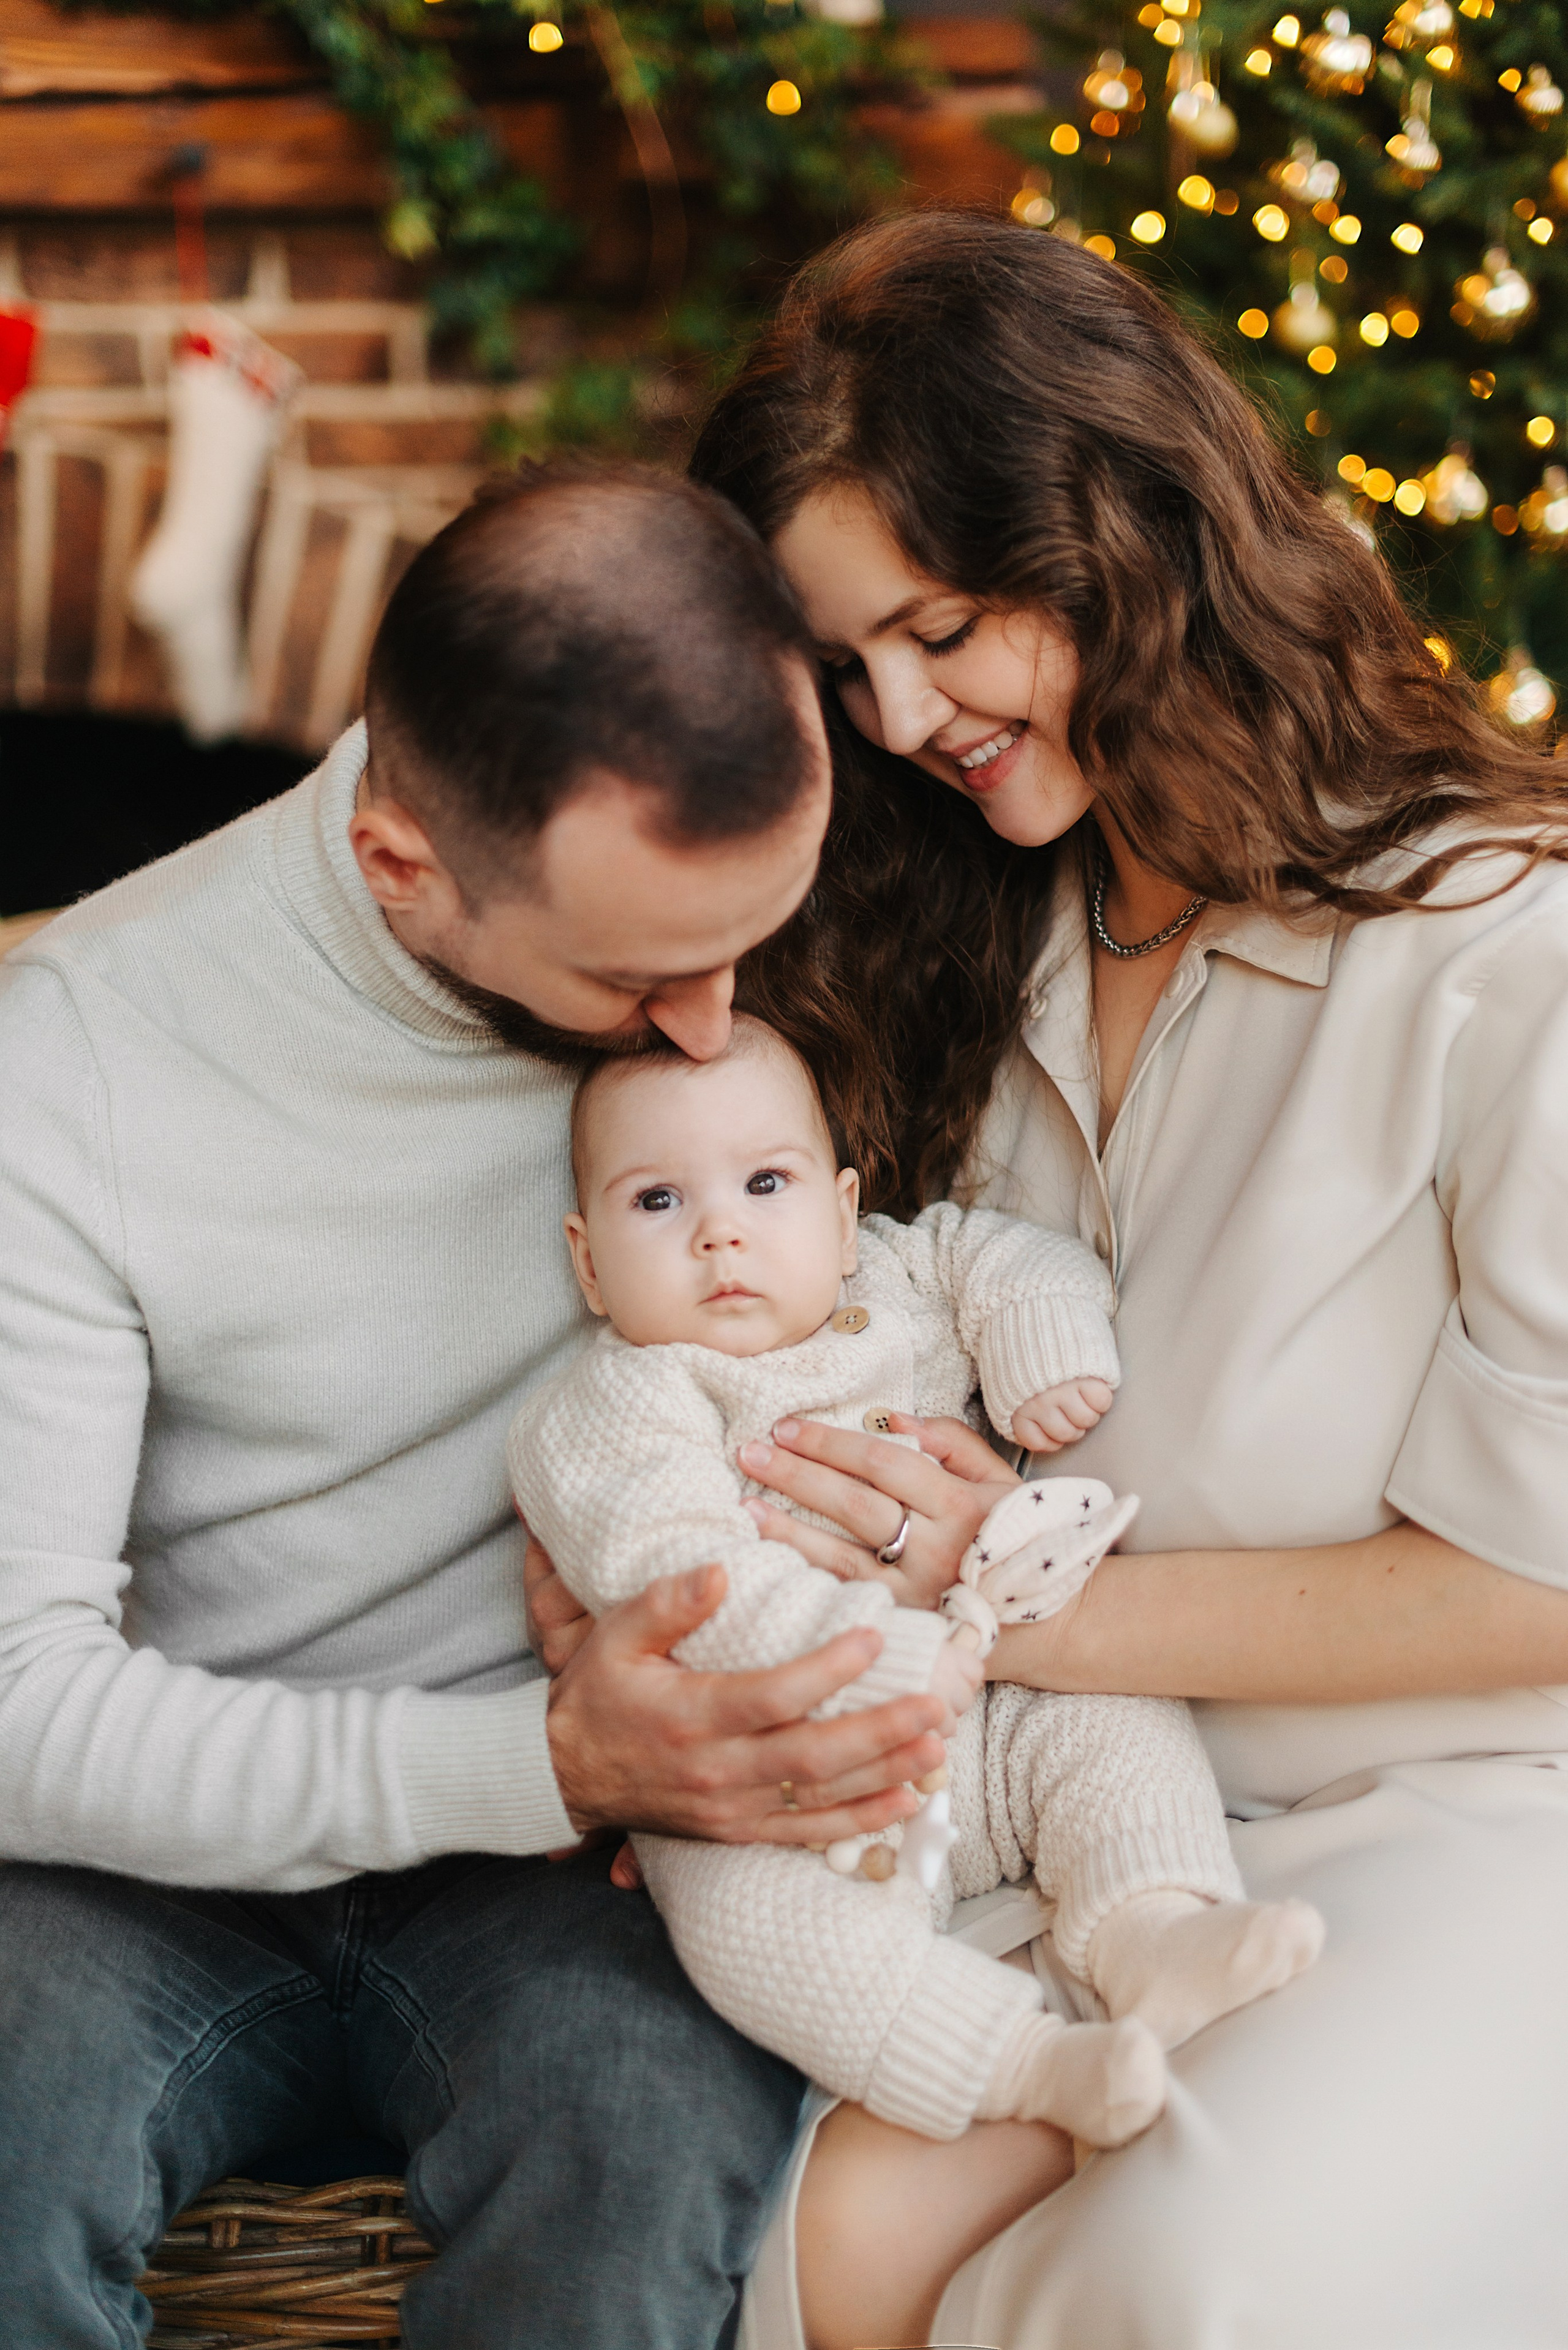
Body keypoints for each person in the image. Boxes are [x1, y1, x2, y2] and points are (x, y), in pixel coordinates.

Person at [675, 212, 1568, 2348]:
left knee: (1195, 2289)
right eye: (845, 667)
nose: (898, 718)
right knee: (751, 2275)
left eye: (950, 626)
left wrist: (1017, 1591)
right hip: (1048, 1828)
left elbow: (1544, 1574)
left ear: (1129, 533)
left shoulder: (1503, 947)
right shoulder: (980, 937)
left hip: (1469, 1821)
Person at [0, 459, 960, 2350]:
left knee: (638, 2167)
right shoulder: (79, 1064)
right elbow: (16, 1699)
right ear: (399, 866)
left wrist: (958, 1474)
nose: (715, 1030)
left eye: (750, 933)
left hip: (596, 1882)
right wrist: (545, 1759)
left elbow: (953, 1284)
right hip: (150, 1858)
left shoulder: (738, 901)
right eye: (636, 979)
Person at [510, 1016, 1325, 2149]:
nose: (720, 1235)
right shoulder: (617, 1407)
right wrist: (879, 1655)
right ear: (588, 1260)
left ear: (844, 1215)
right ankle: (1028, 2061)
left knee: (1115, 1715)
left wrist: (1044, 1336)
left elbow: (1007, 1254)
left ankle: (1154, 1930)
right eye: (658, 1202)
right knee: (753, 1927)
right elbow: (688, 1582)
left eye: (764, 1183)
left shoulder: (899, 1271)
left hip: (997, 1714)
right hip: (794, 1788)